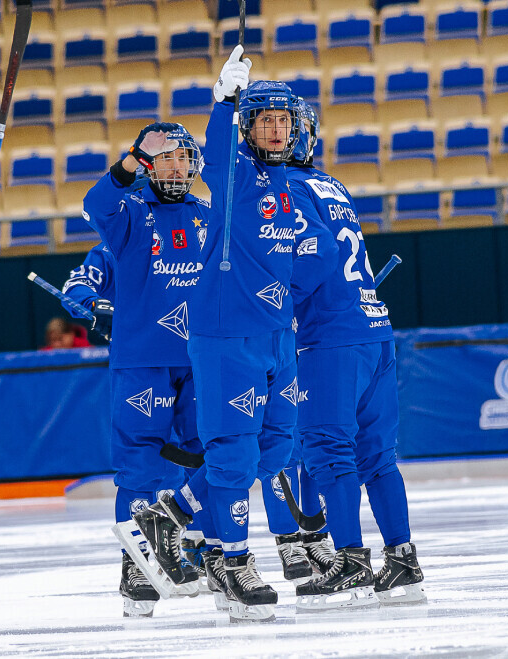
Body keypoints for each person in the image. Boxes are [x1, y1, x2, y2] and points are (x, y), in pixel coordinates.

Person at [129, 47, 326, 622]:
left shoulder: (296, 185)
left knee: (277, 447)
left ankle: (174, 513)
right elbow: (216, 153)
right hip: (225, 333)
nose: (276, 127)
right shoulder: (233, 172)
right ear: (249, 125)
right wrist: (222, 102)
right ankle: (235, 561)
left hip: (277, 334)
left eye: (284, 119)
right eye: (265, 118)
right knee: (234, 451)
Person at [286, 99, 426, 611]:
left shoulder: (284, 189)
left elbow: (314, 255)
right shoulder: (334, 185)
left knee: (327, 449)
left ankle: (350, 561)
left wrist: (274, 303)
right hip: (374, 328)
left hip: (330, 335)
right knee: (378, 457)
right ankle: (403, 559)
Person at [77, 124, 211, 617]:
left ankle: (212, 552)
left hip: (205, 359)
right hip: (143, 361)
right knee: (139, 467)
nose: (177, 167)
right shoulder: (128, 213)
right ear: (150, 164)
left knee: (210, 456)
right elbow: (95, 203)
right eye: (166, 158)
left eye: (184, 159)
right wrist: (131, 158)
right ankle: (137, 565)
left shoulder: (209, 216)